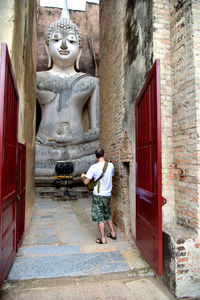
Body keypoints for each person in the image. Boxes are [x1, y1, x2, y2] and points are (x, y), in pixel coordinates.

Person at [81, 149, 116, 244]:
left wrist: (83, 176)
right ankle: (113, 233)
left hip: (98, 195)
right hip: (107, 195)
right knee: (107, 213)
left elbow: (86, 182)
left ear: (96, 156)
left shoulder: (93, 167)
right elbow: (110, 176)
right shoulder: (111, 165)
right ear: (104, 154)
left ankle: (103, 238)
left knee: (100, 217)